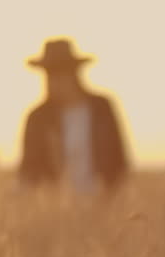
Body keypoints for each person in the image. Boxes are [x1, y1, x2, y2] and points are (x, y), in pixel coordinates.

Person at [17, 38, 131, 196]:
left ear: (74, 74)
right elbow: (28, 170)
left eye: (58, 73)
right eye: (49, 74)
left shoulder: (102, 108)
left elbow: (119, 159)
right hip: (57, 209)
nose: (52, 80)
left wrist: (114, 196)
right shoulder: (38, 118)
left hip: (103, 204)